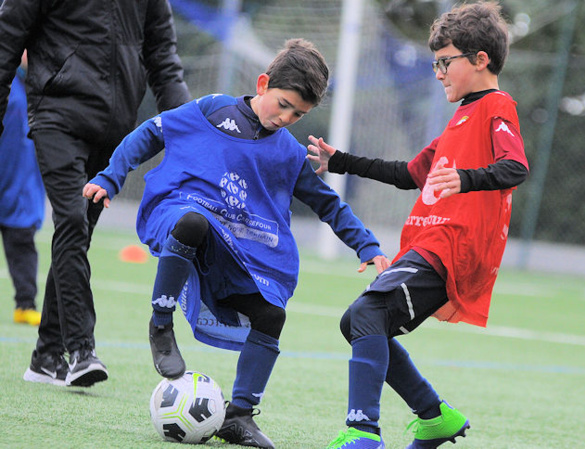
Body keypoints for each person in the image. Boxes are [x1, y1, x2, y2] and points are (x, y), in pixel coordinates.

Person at [83, 38, 390, 449]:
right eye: (282, 104)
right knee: (193, 222)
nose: (286, 118)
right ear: (263, 84)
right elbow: (147, 135)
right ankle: (160, 323)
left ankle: (239, 415)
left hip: (232, 246)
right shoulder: (212, 109)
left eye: (298, 114)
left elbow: (328, 204)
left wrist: (366, 245)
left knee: (270, 316)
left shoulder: (288, 152)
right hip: (178, 212)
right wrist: (109, 176)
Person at [307, 2, 530, 448]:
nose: (438, 72)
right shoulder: (461, 118)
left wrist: (466, 179)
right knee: (357, 320)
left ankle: (363, 432)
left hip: (451, 248)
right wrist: (341, 161)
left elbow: (516, 166)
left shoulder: (496, 107)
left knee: (368, 313)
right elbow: (410, 174)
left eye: (445, 62)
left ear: (479, 59)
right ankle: (434, 417)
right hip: (429, 243)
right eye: (435, 63)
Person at [0, 0, 192, 388]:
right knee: (70, 218)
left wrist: (189, 134)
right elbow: (6, 42)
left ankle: (46, 357)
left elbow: (163, 57)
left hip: (115, 127)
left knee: (77, 233)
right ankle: (81, 351)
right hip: (56, 114)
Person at [0, 52, 45, 327]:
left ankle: (25, 304)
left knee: (23, 242)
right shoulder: (7, 81)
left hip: (24, 184)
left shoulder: (45, 86)